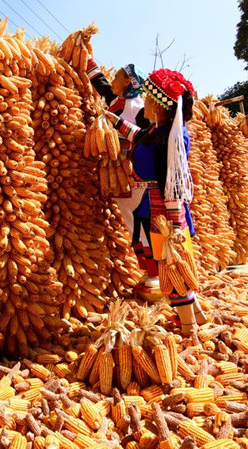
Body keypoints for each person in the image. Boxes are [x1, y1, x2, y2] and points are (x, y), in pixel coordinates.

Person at [103, 68, 207, 336]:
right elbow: (138, 136)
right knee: (173, 266)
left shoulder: (171, 139)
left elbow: (172, 183)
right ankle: (197, 315)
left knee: (172, 267)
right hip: (152, 205)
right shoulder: (159, 132)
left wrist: (172, 225)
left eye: (149, 98)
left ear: (160, 106)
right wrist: (112, 120)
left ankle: (189, 328)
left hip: (164, 209)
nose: (144, 101)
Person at [86, 58, 157, 294]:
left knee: (141, 220)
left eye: (117, 77)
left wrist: (122, 139)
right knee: (131, 222)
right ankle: (148, 270)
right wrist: (85, 54)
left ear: (128, 82)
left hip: (135, 174)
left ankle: (156, 273)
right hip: (117, 174)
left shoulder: (137, 108)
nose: (113, 80)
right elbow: (102, 84)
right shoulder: (118, 101)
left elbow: (147, 138)